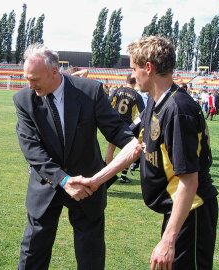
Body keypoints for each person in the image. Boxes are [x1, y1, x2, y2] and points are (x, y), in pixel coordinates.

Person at [71, 36, 219, 270]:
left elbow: (189, 181)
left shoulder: (178, 110)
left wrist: (168, 240)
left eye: (133, 68)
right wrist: (95, 180)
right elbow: (135, 149)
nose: (132, 75)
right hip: (178, 210)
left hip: (193, 211)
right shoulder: (154, 102)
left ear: (148, 68)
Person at [13, 43, 134, 269]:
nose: (30, 85)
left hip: (87, 186)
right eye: (27, 78)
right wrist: (64, 180)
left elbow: (116, 129)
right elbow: (32, 150)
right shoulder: (24, 100)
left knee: (91, 255)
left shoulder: (90, 91)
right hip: (47, 184)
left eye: (34, 79)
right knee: (33, 252)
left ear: (54, 71)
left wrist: (132, 143)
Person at [106, 73, 145, 182]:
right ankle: (123, 176)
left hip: (114, 123)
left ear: (126, 80)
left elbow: (108, 104)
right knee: (130, 150)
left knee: (110, 149)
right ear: (136, 81)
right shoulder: (137, 96)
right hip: (127, 127)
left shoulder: (117, 91)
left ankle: (109, 176)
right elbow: (143, 113)